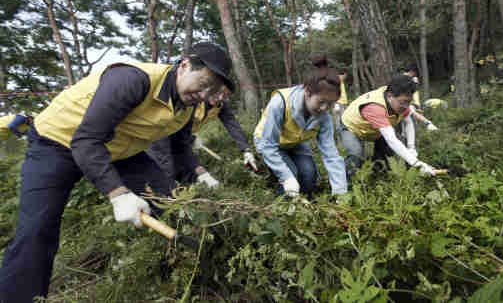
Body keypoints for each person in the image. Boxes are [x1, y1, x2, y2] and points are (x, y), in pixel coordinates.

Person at [0, 42, 234, 303]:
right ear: (185, 65)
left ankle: (189, 264)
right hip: (58, 141)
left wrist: (200, 174)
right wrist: (118, 193)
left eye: (212, 90)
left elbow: (180, 147)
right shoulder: (132, 79)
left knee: (171, 200)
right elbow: (86, 141)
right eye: (203, 83)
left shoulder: (187, 105)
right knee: (37, 230)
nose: (204, 94)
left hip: (118, 147)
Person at [254, 67, 347, 198]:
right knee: (291, 176)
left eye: (330, 104)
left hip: (294, 142)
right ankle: (278, 193)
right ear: (307, 92)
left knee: (309, 177)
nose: (324, 108)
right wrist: (287, 177)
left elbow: (331, 155)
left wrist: (340, 192)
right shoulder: (280, 103)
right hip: (268, 142)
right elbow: (268, 145)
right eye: (321, 102)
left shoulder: (325, 116)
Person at [148, 85, 258, 187]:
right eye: (217, 93)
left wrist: (246, 150)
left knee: (183, 168)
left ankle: (182, 191)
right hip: (162, 131)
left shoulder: (221, 105)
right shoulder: (196, 101)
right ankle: (163, 198)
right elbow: (178, 129)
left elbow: (232, 124)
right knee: (165, 165)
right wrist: (200, 169)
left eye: (224, 95)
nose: (219, 98)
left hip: (182, 135)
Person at [339, 74, 436, 178]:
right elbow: (391, 139)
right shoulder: (375, 107)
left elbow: (408, 122)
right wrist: (417, 164)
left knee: (389, 152)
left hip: (375, 130)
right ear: (390, 96)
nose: (406, 106)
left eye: (409, 102)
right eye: (403, 102)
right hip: (352, 127)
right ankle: (344, 186)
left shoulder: (400, 100)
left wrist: (411, 147)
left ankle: (378, 175)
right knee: (356, 154)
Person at [402, 64, 439, 131]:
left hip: (409, 103)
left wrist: (417, 104)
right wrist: (416, 104)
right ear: (412, 72)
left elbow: (414, 92)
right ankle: (428, 124)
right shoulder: (407, 79)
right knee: (411, 115)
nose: (415, 75)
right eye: (414, 73)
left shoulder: (408, 78)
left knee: (411, 119)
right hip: (406, 103)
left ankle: (421, 129)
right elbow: (412, 92)